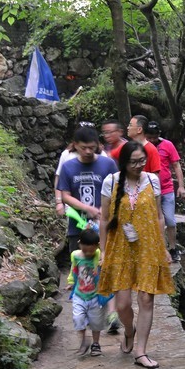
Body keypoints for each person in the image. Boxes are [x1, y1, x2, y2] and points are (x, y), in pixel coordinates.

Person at [98, 141, 174, 369]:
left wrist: (163, 247)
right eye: (134, 162)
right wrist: (103, 251)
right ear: (124, 162)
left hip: (148, 247)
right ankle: (129, 331)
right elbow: (104, 219)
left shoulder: (152, 180)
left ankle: (141, 351)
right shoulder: (111, 182)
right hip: (120, 248)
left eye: (142, 161)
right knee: (122, 304)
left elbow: (159, 216)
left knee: (146, 299)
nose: (139, 165)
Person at [56, 125, 121, 332]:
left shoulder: (107, 164)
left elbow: (118, 190)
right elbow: (65, 195)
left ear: (97, 145)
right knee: (83, 271)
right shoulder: (69, 167)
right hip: (78, 227)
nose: (88, 151)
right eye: (83, 147)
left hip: (105, 227)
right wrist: (87, 208)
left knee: (107, 269)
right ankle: (85, 314)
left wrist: (106, 209)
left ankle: (112, 314)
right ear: (75, 145)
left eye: (92, 148)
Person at [145, 120, 185, 262]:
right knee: (153, 222)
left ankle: (173, 248)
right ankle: (157, 250)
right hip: (148, 190)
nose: (152, 140)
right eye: (149, 137)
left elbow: (176, 165)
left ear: (159, 135)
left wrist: (181, 186)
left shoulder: (167, 145)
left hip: (166, 189)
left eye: (154, 137)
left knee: (170, 221)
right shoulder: (141, 147)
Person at [67, 227, 107, 356]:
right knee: (78, 318)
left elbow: (103, 254)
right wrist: (70, 282)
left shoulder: (98, 255)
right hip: (79, 294)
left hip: (95, 296)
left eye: (91, 250)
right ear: (79, 244)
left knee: (96, 322)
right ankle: (83, 341)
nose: (89, 253)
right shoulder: (75, 255)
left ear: (97, 246)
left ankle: (95, 343)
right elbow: (73, 270)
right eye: (85, 250)